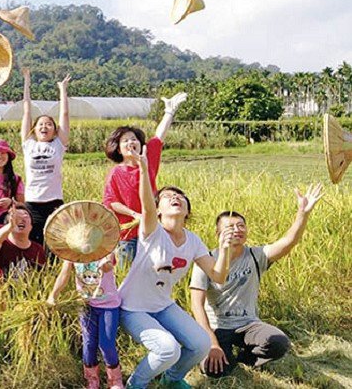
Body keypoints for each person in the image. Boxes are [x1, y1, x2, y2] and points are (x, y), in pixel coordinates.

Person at [117, 148, 231, 389]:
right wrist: (144, 169)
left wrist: (225, 248)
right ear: (158, 211)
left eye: (180, 196)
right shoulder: (152, 232)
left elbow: (219, 275)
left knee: (201, 344)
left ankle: (172, 379)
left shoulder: (194, 240)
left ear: (187, 210)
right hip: (132, 308)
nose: (175, 197)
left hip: (162, 306)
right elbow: (147, 206)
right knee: (168, 349)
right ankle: (136, 384)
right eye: (167, 197)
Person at [190, 184, 323, 378]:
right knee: (212, 370)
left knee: (279, 343)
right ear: (218, 235)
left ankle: (245, 360)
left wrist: (302, 213)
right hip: (216, 327)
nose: (237, 230)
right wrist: (212, 343)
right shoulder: (206, 259)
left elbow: (288, 242)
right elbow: (197, 305)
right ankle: (223, 355)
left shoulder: (255, 255)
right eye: (229, 227)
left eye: (241, 225)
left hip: (248, 324)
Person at [103, 93, 187, 266]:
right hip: (128, 235)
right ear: (118, 149)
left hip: (153, 231)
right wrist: (135, 215)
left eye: (134, 139)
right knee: (128, 277)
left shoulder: (148, 161)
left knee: (156, 272)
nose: (130, 143)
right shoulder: (116, 173)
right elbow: (111, 202)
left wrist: (169, 112)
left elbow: (159, 137)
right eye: (125, 141)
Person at [47, 254, 123, 389]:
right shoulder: (73, 252)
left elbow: (109, 264)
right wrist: (53, 295)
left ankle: (115, 380)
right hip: (86, 306)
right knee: (88, 343)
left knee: (106, 343)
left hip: (108, 305)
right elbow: (64, 274)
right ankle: (92, 380)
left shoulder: (104, 248)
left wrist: (106, 265)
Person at [20, 68, 71, 246]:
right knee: (34, 242)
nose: (45, 126)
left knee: (56, 242)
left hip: (54, 201)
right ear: (34, 129)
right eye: (41, 124)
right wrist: (27, 81)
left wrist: (62, 89)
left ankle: (55, 271)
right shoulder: (28, 144)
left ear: (55, 130)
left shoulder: (58, 144)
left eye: (49, 124)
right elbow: (26, 111)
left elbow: (64, 115)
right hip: (32, 202)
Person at [0, 204, 47, 281]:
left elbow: (41, 276)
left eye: (25, 216)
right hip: (1, 291)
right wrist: (10, 226)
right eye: (17, 217)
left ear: (31, 226)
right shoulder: (2, 243)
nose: (21, 219)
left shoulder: (38, 249)